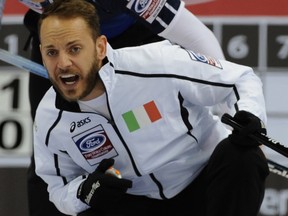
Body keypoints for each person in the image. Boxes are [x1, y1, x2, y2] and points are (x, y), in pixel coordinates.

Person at [33, 0, 269, 215]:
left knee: (241, 156)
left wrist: (248, 114)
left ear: (100, 48)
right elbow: (58, 188)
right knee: (94, 204)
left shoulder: (157, 63)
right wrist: (83, 192)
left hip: (202, 185)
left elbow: (239, 79)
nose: (63, 63)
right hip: (138, 201)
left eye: (75, 49)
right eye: (52, 52)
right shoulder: (49, 119)